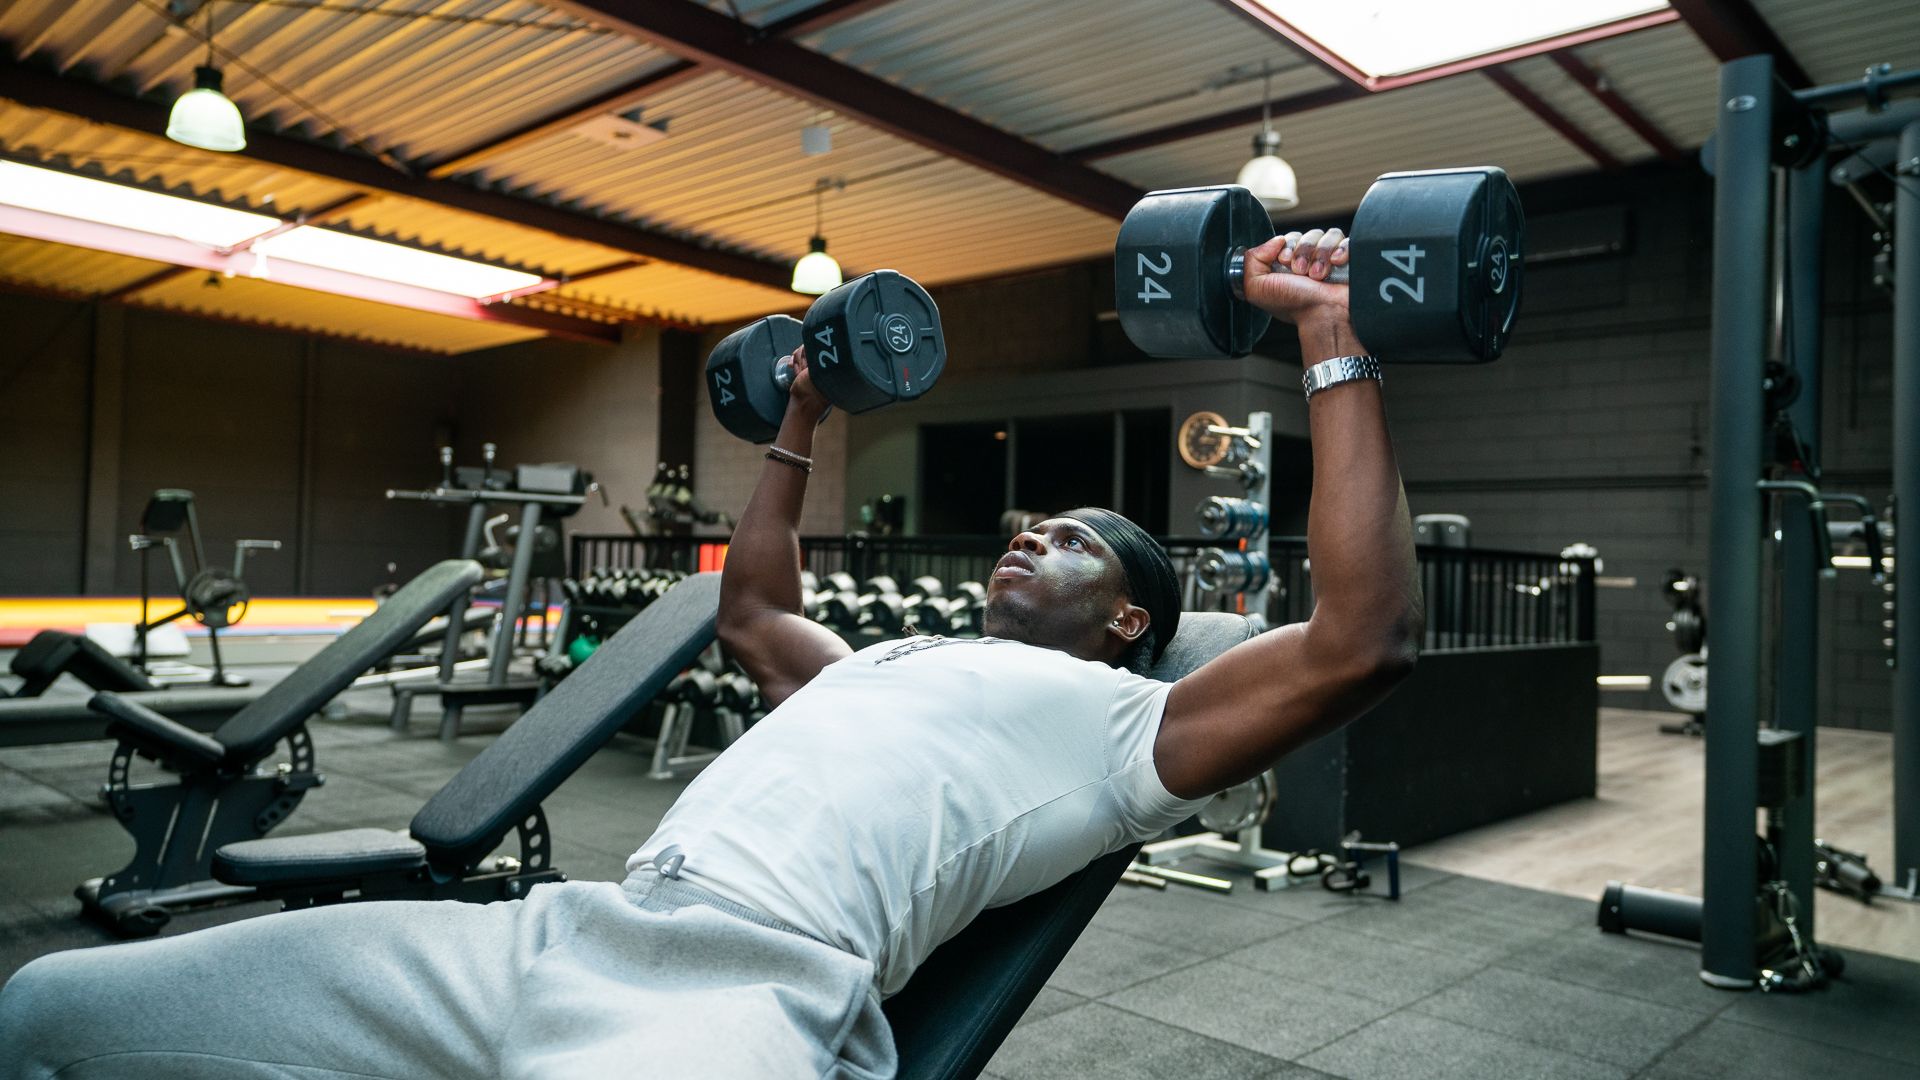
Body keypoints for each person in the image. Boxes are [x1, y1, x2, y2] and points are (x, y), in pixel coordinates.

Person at [0, 227, 1420, 1080]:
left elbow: (1357, 639)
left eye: (1078, 539)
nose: (1035, 526)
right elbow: (749, 611)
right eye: (1036, 519)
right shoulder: (886, 663)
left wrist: (1332, 339)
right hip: (558, 935)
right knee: (56, 1010)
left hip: (743, 989)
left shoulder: (1125, 728)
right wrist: (800, 414)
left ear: (1130, 621)